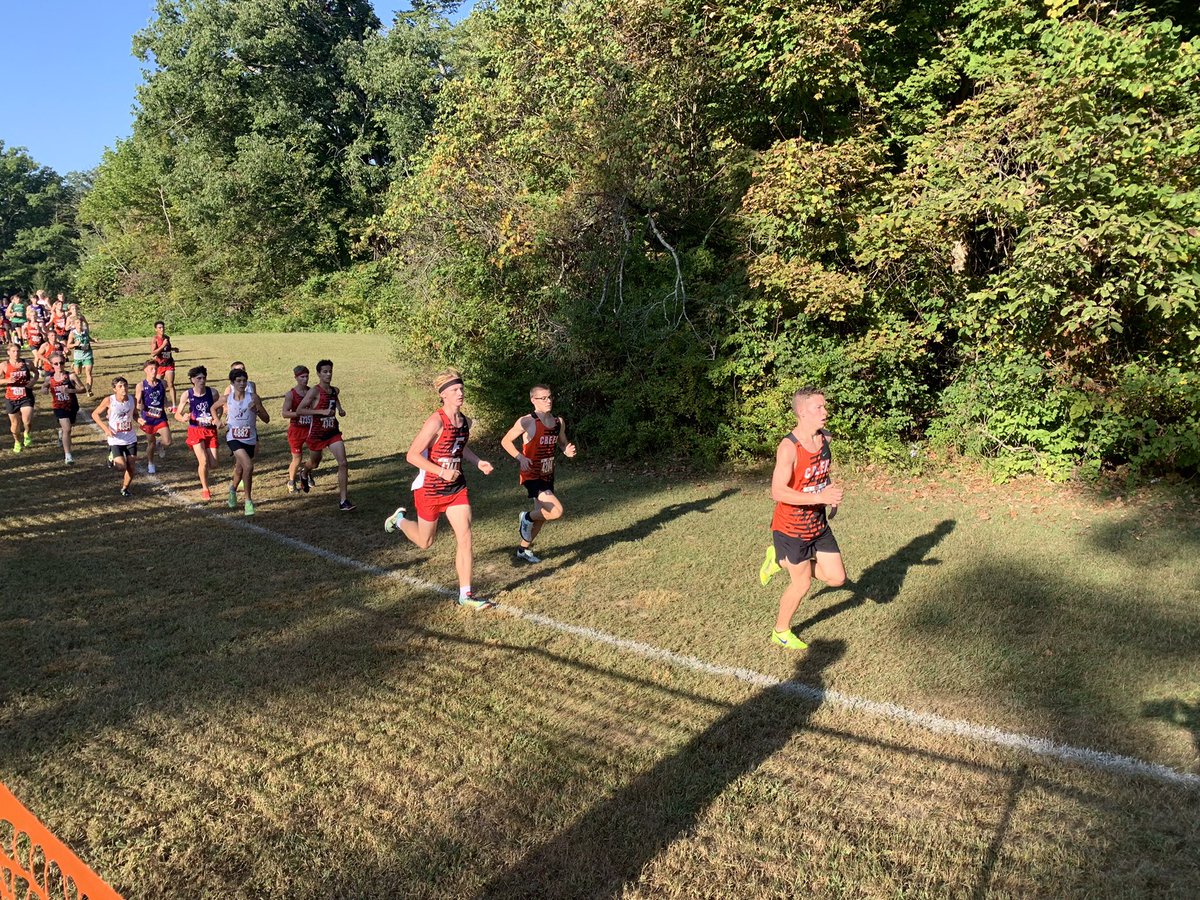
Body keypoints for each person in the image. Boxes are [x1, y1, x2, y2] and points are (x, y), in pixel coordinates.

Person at [384, 369, 495, 610]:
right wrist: (441, 471)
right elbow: (412, 455)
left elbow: (460, 447)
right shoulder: (436, 421)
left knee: (465, 536)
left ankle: (465, 594)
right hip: (430, 489)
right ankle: (400, 520)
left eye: (461, 389)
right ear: (443, 394)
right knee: (426, 542)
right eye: (455, 390)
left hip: (456, 489)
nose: (460, 393)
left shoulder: (465, 421)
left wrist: (478, 462)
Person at [759, 387, 846, 650]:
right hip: (791, 528)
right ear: (801, 412)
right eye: (819, 408)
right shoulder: (789, 448)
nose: (825, 412)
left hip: (818, 525)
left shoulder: (825, 439)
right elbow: (778, 491)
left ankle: (779, 559)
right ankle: (780, 630)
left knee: (837, 578)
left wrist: (828, 494)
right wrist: (819, 497)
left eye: (825, 406)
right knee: (802, 583)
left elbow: (821, 474)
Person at [500, 384, 577, 563]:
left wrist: (567, 451)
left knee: (542, 515)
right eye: (543, 398)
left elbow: (562, 443)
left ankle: (522, 549)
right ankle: (525, 517)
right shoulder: (527, 421)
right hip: (531, 474)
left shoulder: (558, 422)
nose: (548, 401)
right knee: (556, 511)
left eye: (550, 397)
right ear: (533, 400)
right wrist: (520, 457)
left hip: (547, 473)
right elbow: (505, 441)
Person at [296, 359, 354, 511]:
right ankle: (304, 472)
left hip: (333, 432)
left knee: (343, 463)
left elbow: (335, 399)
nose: (328, 374)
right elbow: (300, 410)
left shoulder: (334, 390)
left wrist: (340, 409)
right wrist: (320, 412)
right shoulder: (314, 391)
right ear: (318, 374)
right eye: (325, 372)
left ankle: (343, 501)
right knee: (315, 463)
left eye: (330, 371)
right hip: (317, 434)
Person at [211, 368, 270, 516]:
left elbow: (267, 419)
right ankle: (248, 501)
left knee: (240, 469)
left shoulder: (253, 398)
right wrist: (217, 420)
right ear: (232, 383)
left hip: (250, 438)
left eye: (244, 381)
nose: (242, 384)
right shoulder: (227, 398)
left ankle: (232, 490)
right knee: (248, 466)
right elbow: (213, 407)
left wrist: (256, 410)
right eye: (238, 381)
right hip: (233, 437)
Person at [174, 365, 219, 500]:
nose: (202, 380)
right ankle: (205, 489)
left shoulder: (213, 393)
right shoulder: (187, 394)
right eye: (199, 378)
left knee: (214, 464)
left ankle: (203, 473)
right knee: (203, 461)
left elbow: (221, 406)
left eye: (204, 378)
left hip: (210, 431)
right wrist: (183, 418)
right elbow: (177, 414)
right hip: (195, 431)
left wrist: (217, 418)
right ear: (193, 380)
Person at [92, 377, 138, 496]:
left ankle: (125, 488)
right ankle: (111, 456)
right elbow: (95, 414)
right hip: (115, 439)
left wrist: (140, 420)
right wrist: (106, 429)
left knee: (132, 466)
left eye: (125, 385)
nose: (124, 388)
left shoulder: (133, 399)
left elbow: (135, 415)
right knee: (121, 467)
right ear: (114, 389)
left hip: (130, 437)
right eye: (120, 386)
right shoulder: (109, 400)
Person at [42, 353, 82, 464]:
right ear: (51, 365)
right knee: (67, 429)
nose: (59, 365)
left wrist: (71, 391)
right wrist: (44, 390)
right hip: (58, 406)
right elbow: (44, 387)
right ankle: (68, 455)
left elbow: (83, 389)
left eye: (61, 363)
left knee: (69, 426)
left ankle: (61, 433)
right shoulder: (49, 378)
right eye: (56, 364)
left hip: (72, 406)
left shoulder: (71, 376)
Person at [136, 359, 172, 474]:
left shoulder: (163, 383)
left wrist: (168, 405)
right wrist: (139, 406)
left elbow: (164, 398)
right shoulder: (141, 385)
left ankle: (160, 444)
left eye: (155, 368)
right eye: (151, 369)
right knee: (150, 443)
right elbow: (138, 402)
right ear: (145, 370)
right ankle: (151, 463)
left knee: (168, 441)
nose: (154, 371)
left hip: (160, 417)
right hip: (148, 419)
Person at [1, 342, 38, 452]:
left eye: (18, 351)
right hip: (11, 398)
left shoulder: (27, 363)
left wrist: (32, 382)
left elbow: (36, 373)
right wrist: (7, 380)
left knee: (26, 420)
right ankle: (17, 441)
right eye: (13, 351)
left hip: (26, 396)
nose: (16, 353)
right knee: (15, 424)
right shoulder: (4, 365)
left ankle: (26, 432)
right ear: (8, 353)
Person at [281, 365, 312, 493]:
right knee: (297, 458)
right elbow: (284, 413)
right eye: (302, 377)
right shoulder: (291, 394)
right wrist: (299, 413)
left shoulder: (312, 392)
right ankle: (291, 481)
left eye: (307, 376)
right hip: (296, 430)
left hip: (310, 428)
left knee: (315, 455)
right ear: (296, 378)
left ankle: (305, 474)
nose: (305, 379)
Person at [151, 320, 178, 410]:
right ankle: (162, 403)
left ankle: (174, 406)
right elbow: (153, 353)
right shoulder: (155, 339)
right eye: (160, 328)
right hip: (160, 365)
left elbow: (167, 349)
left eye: (163, 327)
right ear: (156, 329)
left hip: (169, 363)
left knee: (171, 384)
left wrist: (173, 349)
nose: (162, 329)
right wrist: (162, 345)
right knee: (158, 385)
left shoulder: (167, 338)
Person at [65, 315, 95, 396]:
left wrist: (93, 340)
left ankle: (89, 390)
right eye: (77, 323)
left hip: (88, 355)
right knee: (77, 373)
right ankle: (74, 364)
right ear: (74, 324)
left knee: (88, 373)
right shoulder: (73, 333)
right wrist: (75, 344)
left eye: (81, 322)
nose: (80, 324)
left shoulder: (85, 331)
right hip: (78, 356)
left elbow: (89, 338)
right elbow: (68, 345)